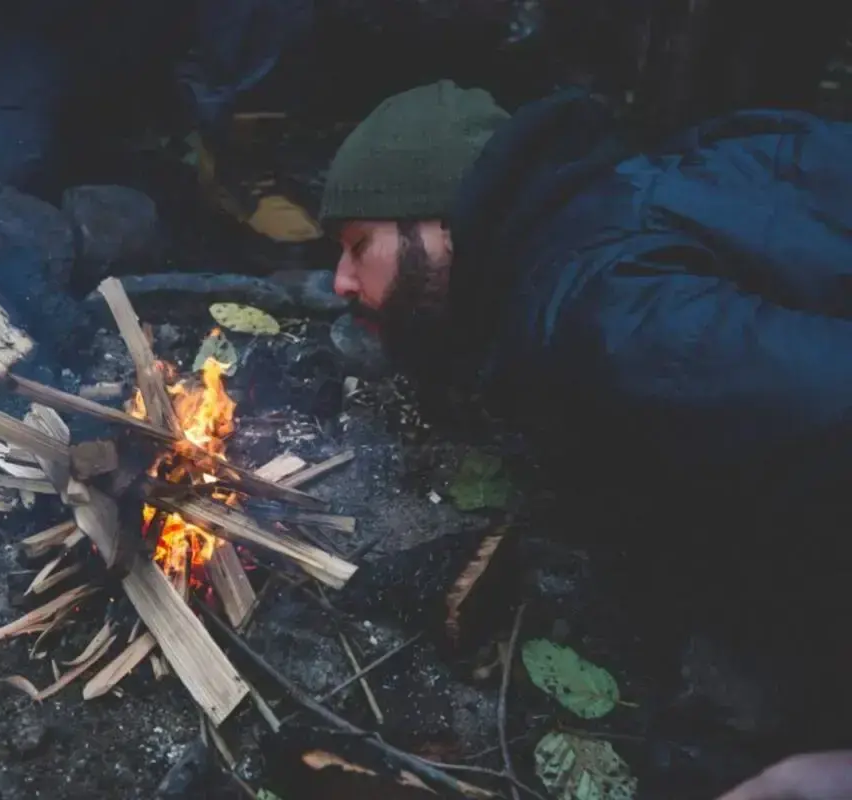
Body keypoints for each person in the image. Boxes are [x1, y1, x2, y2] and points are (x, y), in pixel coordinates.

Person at [317, 80, 852, 798]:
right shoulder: (641, 188)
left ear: (445, 225)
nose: (340, 280)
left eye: (360, 245)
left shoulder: (603, 310)